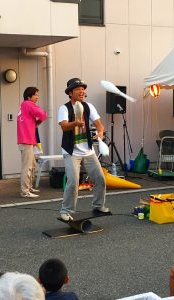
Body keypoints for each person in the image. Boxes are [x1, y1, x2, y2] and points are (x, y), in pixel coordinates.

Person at [58, 78, 109, 221]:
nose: (81, 91)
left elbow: (99, 125)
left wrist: (100, 132)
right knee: (73, 181)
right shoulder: (64, 108)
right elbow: (63, 126)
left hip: (88, 151)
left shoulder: (88, 106)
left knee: (100, 178)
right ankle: (66, 211)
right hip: (71, 152)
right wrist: (75, 123)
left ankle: (98, 205)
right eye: (77, 89)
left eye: (83, 89)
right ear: (70, 93)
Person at [17, 87, 47, 198]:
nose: (37, 97)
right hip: (27, 141)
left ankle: (28, 187)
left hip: (28, 140)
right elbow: (43, 114)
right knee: (27, 166)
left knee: (32, 165)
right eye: (35, 95)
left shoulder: (24, 106)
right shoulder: (28, 104)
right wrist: (38, 120)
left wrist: (36, 122)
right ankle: (25, 191)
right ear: (29, 97)